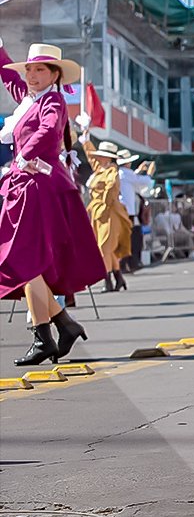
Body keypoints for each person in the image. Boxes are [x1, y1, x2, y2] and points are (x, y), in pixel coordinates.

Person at [0, 40, 102, 365]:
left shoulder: (54, 101)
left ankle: (48, 335)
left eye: (39, 69)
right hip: (23, 185)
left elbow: (48, 130)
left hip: (39, 187)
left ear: (54, 74)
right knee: (26, 261)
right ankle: (61, 327)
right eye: (29, 68)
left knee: (24, 259)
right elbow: (7, 75)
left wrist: (26, 153)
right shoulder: (29, 99)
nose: (31, 74)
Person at [82, 139, 133, 291]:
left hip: (108, 211)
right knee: (104, 247)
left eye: (101, 155)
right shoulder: (100, 169)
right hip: (99, 211)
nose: (98, 158)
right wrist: (86, 140)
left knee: (105, 246)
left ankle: (108, 280)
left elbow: (111, 188)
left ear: (108, 157)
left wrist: (105, 204)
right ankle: (118, 278)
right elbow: (90, 157)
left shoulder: (112, 171)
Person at [116, 150, 154, 272]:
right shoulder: (126, 174)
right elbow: (143, 182)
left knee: (128, 237)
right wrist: (149, 173)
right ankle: (129, 263)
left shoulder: (122, 174)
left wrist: (138, 171)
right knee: (131, 238)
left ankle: (127, 263)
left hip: (124, 210)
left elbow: (134, 182)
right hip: (128, 211)